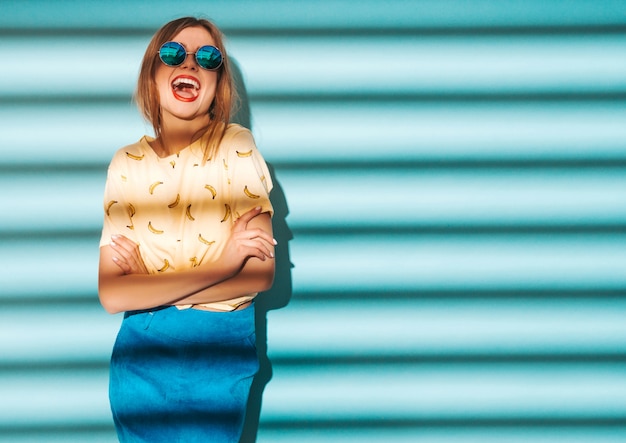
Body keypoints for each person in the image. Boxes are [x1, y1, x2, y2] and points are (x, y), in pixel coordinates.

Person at [97, 16, 276, 442]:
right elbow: (113, 293)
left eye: (208, 58)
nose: (191, 64)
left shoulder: (237, 147)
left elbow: (259, 275)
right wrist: (225, 264)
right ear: (152, 75)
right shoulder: (127, 163)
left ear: (218, 85)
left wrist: (152, 283)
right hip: (142, 346)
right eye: (174, 53)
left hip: (219, 347)